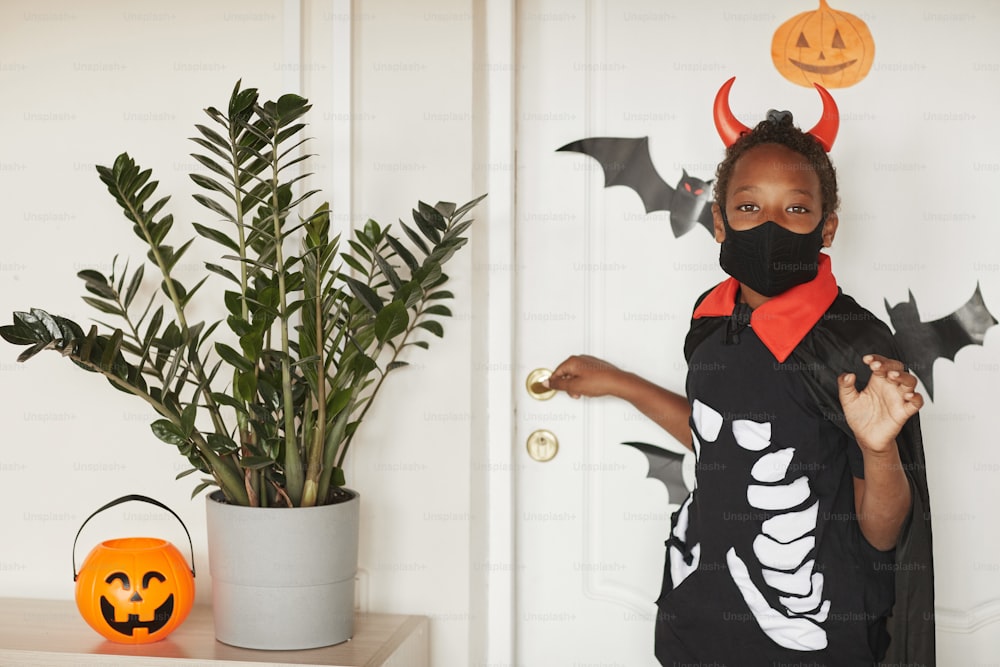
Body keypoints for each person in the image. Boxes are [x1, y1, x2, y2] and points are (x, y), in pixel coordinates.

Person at [546, 82, 934, 666]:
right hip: (698, 613)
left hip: (819, 636)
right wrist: (621, 381)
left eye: (796, 208)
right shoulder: (712, 314)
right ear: (720, 223)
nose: (770, 224)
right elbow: (718, 438)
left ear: (826, 229)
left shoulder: (855, 345)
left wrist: (879, 450)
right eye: (749, 206)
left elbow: (882, 534)